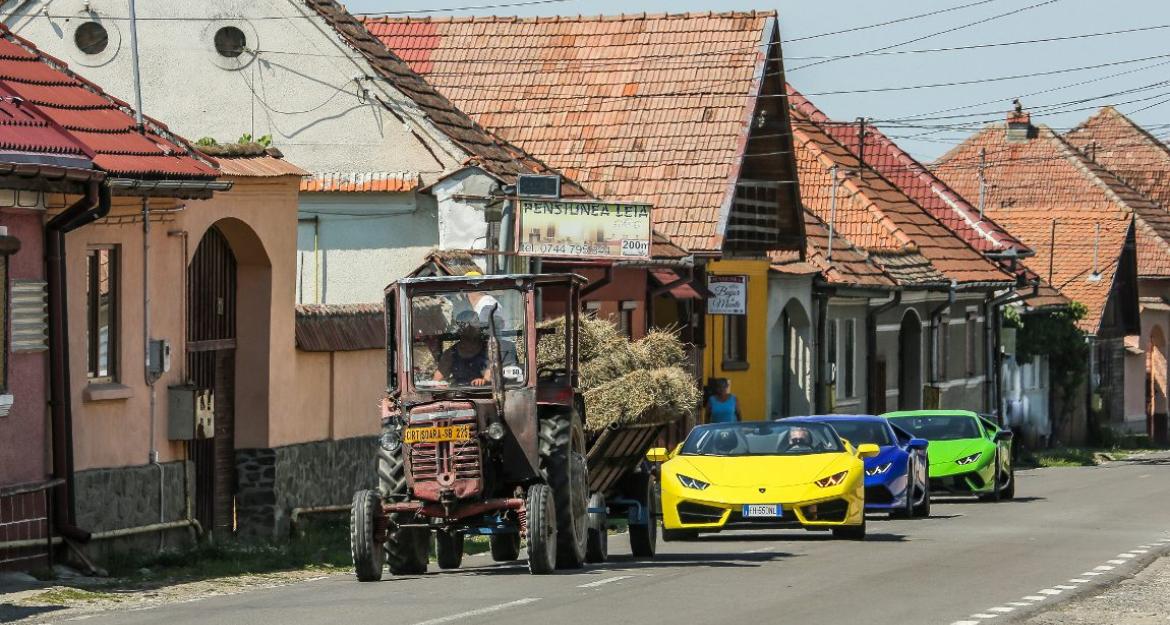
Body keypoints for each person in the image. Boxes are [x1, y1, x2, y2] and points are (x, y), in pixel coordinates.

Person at [434, 311, 491, 386]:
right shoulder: (450, 353)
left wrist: (484, 380)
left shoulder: (489, 349)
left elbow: (491, 373)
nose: (475, 329)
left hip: (485, 394)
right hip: (459, 395)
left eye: (475, 325)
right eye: (468, 327)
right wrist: (440, 385)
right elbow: (436, 380)